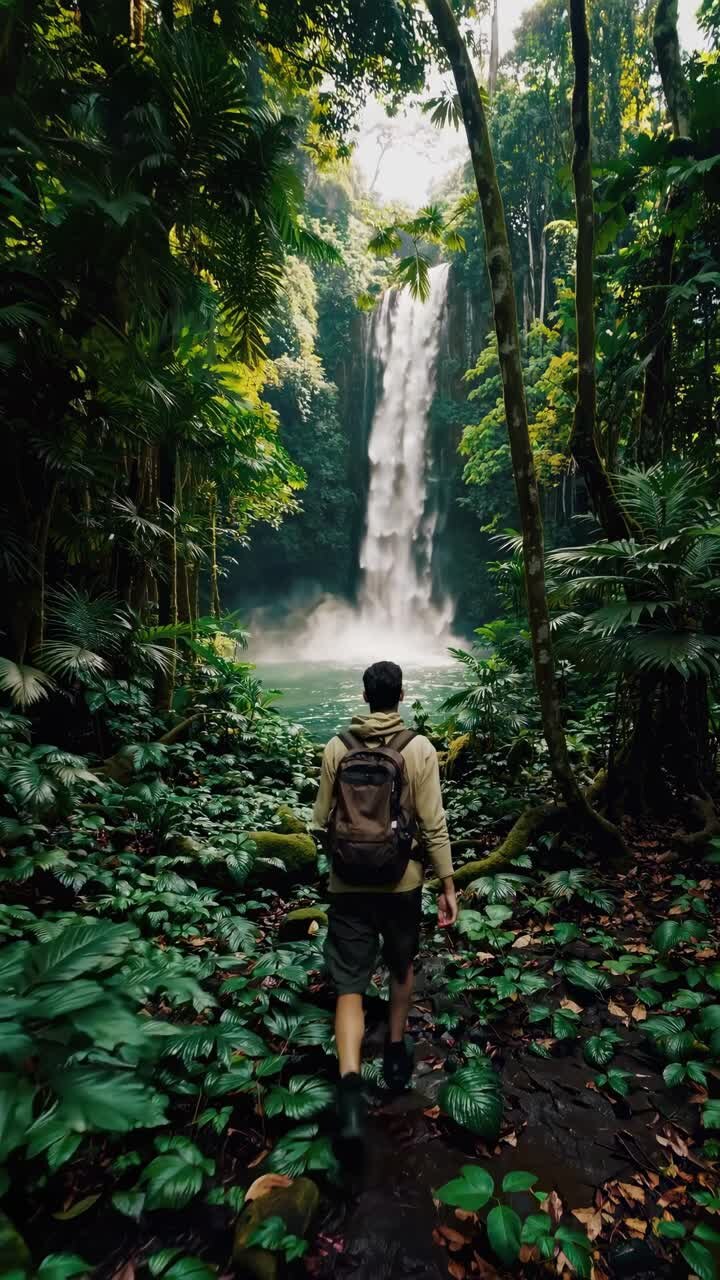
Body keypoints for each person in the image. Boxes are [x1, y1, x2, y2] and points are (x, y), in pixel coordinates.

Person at [312, 659, 458, 1159]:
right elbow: (433, 823)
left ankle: (350, 1088)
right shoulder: (418, 749)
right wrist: (448, 883)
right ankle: (395, 1051)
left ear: (365, 695)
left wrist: (344, 857)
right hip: (403, 884)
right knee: (401, 964)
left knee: (349, 983)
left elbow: (318, 821)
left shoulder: (337, 746)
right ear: (400, 696)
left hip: (347, 884)